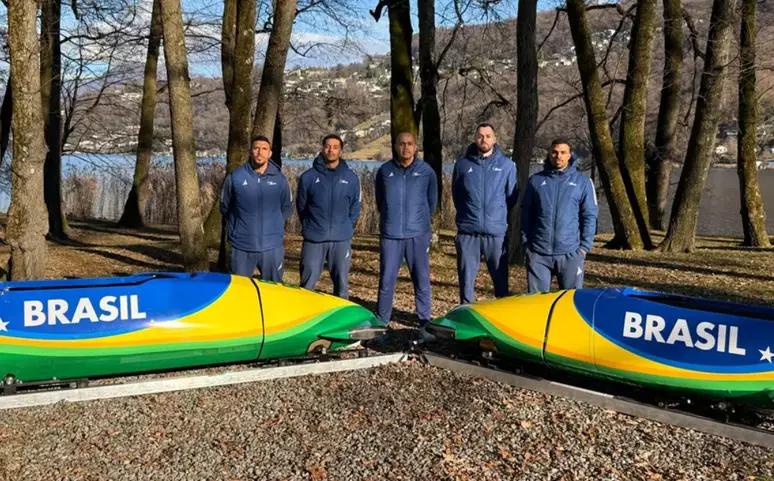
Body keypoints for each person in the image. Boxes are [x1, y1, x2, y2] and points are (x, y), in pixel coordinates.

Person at [375, 132, 438, 328]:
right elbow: (380, 201)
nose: (406, 147)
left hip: (417, 235)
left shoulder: (426, 171)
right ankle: (382, 320)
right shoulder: (385, 171)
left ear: (415, 146)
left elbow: (432, 201)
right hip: (391, 235)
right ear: (395, 146)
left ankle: (424, 320)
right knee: (386, 281)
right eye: (401, 144)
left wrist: (420, 223)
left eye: (410, 144)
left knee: (421, 280)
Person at [452, 123, 518, 304]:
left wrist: (495, 216)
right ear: (475, 138)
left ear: (494, 139)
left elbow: (511, 197)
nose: (484, 139)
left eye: (488, 136)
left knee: (501, 285)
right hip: (468, 234)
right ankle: (466, 320)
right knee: (466, 284)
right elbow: (457, 195)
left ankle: (502, 323)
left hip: (495, 234)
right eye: (480, 136)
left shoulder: (507, 166)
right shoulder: (462, 165)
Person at [521, 138, 598, 293]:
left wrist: (584, 247)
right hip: (539, 254)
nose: (558, 156)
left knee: (571, 304)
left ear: (570, 155)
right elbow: (525, 213)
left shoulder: (582, 182)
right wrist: (526, 243)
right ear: (549, 154)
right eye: (555, 152)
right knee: (536, 305)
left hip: (570, 253)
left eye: (563, 153)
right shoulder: (535, 181)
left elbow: (589, 215)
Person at [296, 134, 361, 299]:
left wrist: (346, 226)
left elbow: (355, 207)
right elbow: (301, 206)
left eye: (335, 147)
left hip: (341, 240)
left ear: (340, 151)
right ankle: (305, 320)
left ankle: (341, 322)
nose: (331, 150)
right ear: (322, 148)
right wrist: (311, 225)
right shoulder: (308, 177)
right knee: (306, 285)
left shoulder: (351, 178)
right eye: (328, 146)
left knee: (342, 286)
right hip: (314, 239)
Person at [220, 135, 292, 281]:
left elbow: (287, 207)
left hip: (271, 247)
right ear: (250, 151)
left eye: (264, 149)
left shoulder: (280, 179)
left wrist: (273, 226)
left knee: (273, 293)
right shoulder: (236, 177)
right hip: (241, 246)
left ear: (270, 153)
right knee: (240, 294)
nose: (260, 152)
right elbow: (225, 206)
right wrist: (238, 227)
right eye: (256, 148)